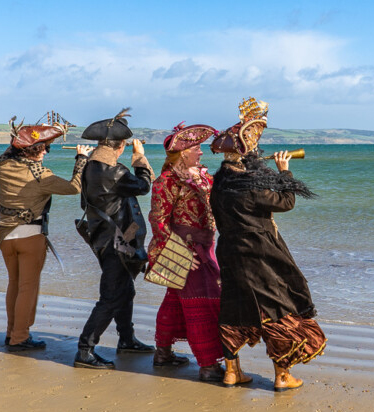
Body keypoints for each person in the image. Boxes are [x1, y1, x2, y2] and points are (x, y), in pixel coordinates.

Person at [209, 98, 326, 390]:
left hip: (230, 252)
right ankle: (282, 376)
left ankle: (232, 372)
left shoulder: (219, 182)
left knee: (233, 306)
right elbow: (286, 202)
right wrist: (284, 171)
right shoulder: (250, 187)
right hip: (260, 253)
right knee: (277, 307)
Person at [0, 115, 91, 352]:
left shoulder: (2, 164)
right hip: (31, 237)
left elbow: (14, 146)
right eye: (44, 148)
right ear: (34, 151)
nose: (46, 152)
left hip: (5, 236)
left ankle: (11, 333)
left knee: (14, 285)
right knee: (28, 288)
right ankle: (20, 337)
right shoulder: (41, 176)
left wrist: (41, 135)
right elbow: (74, 187)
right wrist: (81, 159)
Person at [74, 109, 155, 369]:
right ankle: (85, 350)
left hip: (106, 238)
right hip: (117, 242)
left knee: (125, 290)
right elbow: (144, 186)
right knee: (110, 297)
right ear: (120, 147)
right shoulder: (113, 171)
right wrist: (139, 157)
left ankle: (127, 339)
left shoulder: (90, 166)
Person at [146, 123, 226, 381]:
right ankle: (208, 365)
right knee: (202, 301)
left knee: (176, 299)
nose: (201, 152)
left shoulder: (204, 176)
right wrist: (179, 253)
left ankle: (163, 354)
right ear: (183, 153)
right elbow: (158, 220)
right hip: (186, 249)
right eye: (197, 148)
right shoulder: (166, 181)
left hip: (206, 245)